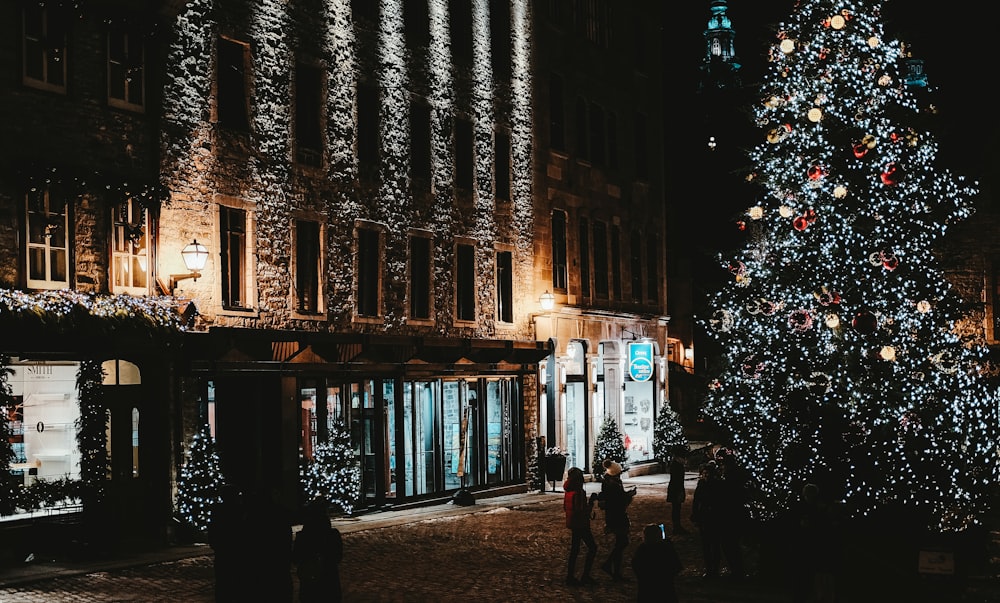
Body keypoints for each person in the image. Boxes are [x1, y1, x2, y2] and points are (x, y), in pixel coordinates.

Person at [787, 483, 840, 603]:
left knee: (809, 573)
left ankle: (807, 595)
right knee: (809, 573)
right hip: (808, 545)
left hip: (808, 545)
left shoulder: (812, 508)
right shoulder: (816, 509)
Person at [293, 497, 344, 603]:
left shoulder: (303, 536)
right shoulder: (332, 535)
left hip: (310, 586)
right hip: (329, 584)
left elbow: (296, 558)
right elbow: (338, 557)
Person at [598, 459, 636, 581]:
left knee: (621, 542)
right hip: (617, 515)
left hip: (613, 515)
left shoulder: (609, 482)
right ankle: (610, 566)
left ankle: (614, 570)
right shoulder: (613, 484)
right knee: (622, 542)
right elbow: (618, 500)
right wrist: (630, 494)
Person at [209, 484, 248, 602]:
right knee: (236, 583)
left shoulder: (217, 511)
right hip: (236, 552)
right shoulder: (240, 510)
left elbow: (213, 531)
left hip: (223, 552)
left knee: (222, 583)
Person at [562, 466, 598, 586]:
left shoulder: (568, 490)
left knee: (575, 550)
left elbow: (565, 507)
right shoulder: (579, 492)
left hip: (573, 523)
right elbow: (581, 510)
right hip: (581, 524)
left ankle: (570, 576)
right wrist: (591, 502)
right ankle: (585, 575)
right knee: (592, 548)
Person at [631, 523, 683, 603]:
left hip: (646, 589)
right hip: (665, 588)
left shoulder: (642, 549)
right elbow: (677, 566)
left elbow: (635, 566)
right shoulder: (666, 549)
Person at [691, 460, 723, 579]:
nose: (706, 475)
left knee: (714, 544)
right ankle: (710, 568)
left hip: (713, 517)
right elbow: (696, 500)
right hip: (705, 517)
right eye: (705, 473)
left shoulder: (717, 485)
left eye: (708, 473)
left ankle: (714, 568)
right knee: (707, 545)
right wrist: (695, 514)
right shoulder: (702, 484)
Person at [666, 445, 688, 535]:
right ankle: (677, 527)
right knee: (676, 509)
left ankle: (677, 526)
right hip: (676, 490)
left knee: (676, 509)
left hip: (675, 489)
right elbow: (677, 480)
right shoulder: (677, 466)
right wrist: (679, 492)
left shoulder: (676, 464)